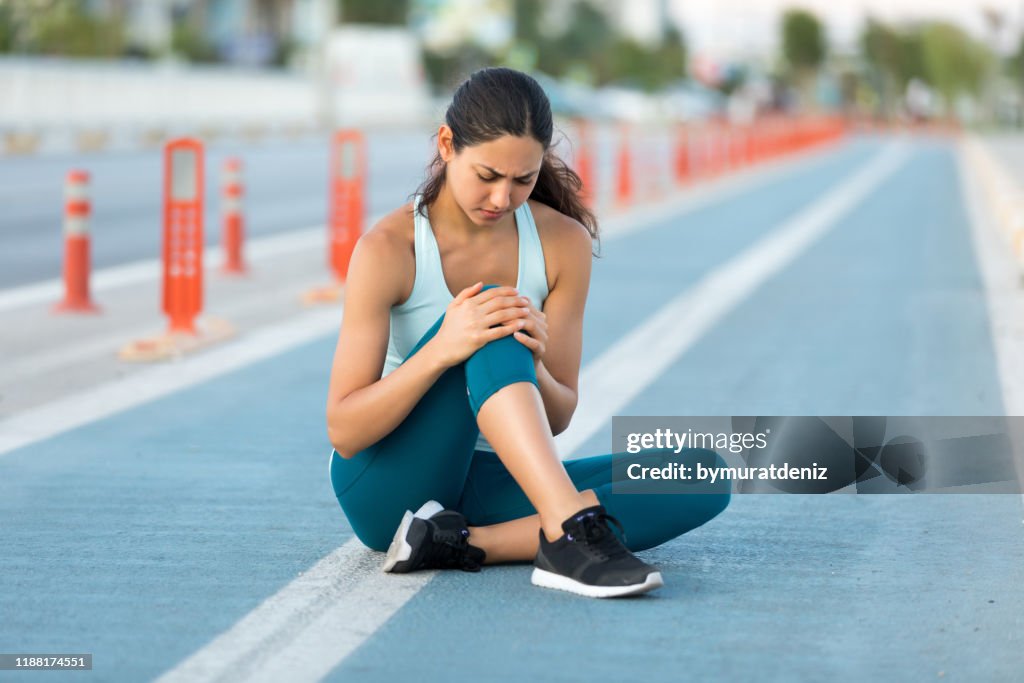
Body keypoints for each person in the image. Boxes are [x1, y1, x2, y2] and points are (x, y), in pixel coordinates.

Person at [326, 67, 730, 599]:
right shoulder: (389, 249)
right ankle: (568, 533)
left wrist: (535, 362)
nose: (501, 198)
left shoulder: (562, 243)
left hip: (489, 481)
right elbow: (345, 430)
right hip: (392, 485)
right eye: (487, 175)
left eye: (523, 179)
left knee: (702, 474)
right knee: (492, 317)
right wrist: (444, 350)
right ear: (447, 145)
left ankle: (462, 543)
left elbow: (558, 416)